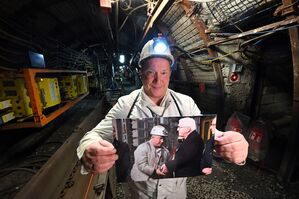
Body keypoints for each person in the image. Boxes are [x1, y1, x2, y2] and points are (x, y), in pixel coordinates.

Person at [77, 37, 249, 198]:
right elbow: (92, 136)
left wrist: (230, 144)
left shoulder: (185, 104)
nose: (158, 80)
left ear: (170, 73)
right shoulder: (126, 106)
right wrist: (89, 148)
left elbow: (211, 136)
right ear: (140, 73)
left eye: (164, 72)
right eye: (151, 72)